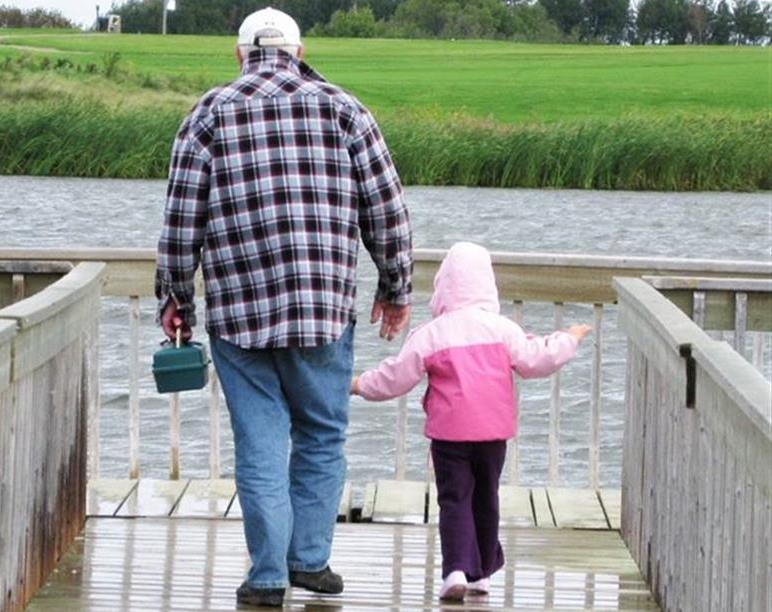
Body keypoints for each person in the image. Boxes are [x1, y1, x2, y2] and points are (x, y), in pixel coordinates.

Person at [154, 6, 413, 608]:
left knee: (260, 443)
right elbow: (388, 211)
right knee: (322, 436)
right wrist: (394, 289)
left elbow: (179, 219)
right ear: (300, 51)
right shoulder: (345, 109)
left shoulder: (209, 113)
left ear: (239, 54)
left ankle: (268, 575)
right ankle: (310, 561)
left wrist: (175, 298)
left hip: (239, 317)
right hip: (323, 310)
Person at [351, 242, 590, 602]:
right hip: (493, 434)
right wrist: (569, 338)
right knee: (485, 496)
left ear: (445, 286)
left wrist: (357, 385)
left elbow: (395, 378)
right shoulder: (503, 329)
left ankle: (456, 570)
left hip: (449, 435)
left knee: (455, 498)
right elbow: (537, 358)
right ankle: (481, 573)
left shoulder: (432, 334)